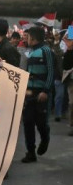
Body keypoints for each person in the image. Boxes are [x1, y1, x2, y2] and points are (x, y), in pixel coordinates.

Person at [20, 25, 54, 163]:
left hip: (41, 94)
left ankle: (45, 138)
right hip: (29, 93)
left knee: (41, 123)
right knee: (28, 122)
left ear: (32, 38)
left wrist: (45, 91)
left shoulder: (46, 51)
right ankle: (30, 152)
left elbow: (51, 72)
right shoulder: (30, 52)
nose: (26, 39)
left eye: (27, 37)